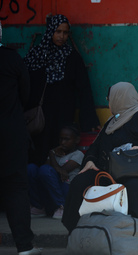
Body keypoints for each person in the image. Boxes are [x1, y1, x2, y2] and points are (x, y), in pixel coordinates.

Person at [62, 82, 138, 253]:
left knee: (133, 187)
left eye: (110, 99)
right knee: (80, 182)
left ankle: (132, 240)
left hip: (135, 172)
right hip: (107, 172)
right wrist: (90, 161)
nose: (108, 102)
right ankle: (81, 234)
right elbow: (95, 148)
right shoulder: (112, 121)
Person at [24, 14, 100, 166]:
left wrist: (90, 120)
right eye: (58, 31)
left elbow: (84, 90)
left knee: (60, 150)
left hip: (62, 115)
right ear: (50, 31)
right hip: (41, 117)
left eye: (65, 33)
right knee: (39, 152)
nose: (61, 36)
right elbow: (25, 85)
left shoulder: (72, 57)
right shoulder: (37, 56)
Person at [0, 43, 41, 254]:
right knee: (16, 188)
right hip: (10, 134)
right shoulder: (11, 58)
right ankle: (25, 246)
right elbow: (26, 94)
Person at [27, 124, 84, 219]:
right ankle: (38, 207)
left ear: (76, 140)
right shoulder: (55, 153)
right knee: (31, 168)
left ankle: (62, 207)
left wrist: (52, 155)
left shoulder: (78, 155)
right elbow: (43, 172)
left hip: (66, 190)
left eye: (67, 139)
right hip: (52, 191)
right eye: (61, 139)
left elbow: (62, 171)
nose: (62, 142)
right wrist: (53, 154)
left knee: (46, 170)